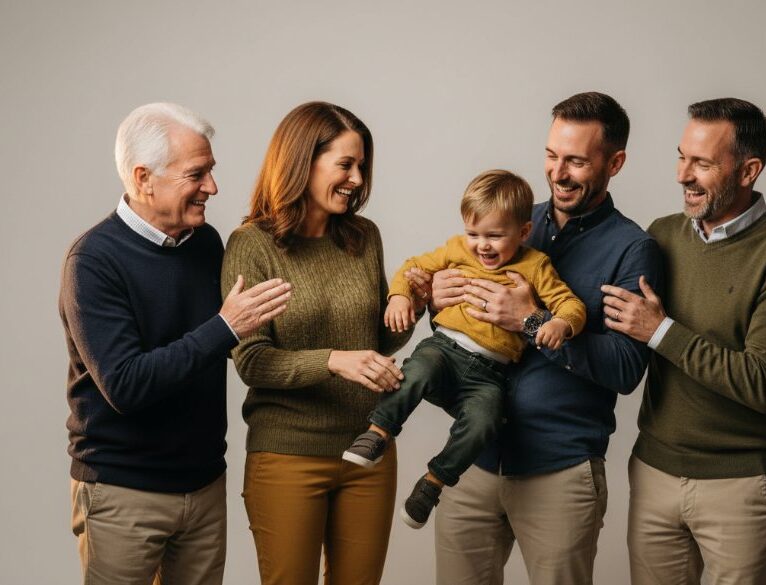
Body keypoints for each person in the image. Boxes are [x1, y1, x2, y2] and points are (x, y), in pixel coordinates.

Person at [420, 92, 662, 585]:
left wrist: (531, 323)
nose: (558, 173)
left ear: (615, 162)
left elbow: (625, 369)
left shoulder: (632, 249)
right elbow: (459, 322)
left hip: (559, 471)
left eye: (576, 160)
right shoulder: (509, 220)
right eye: (552, 156)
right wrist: (437, 301)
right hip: (474, 461)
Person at [60, 102, 292, 585]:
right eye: (197, 173)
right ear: (144, 179)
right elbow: (125, 386)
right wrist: (225, 327)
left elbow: (238, 346)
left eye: (211, 171)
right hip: (123, 493)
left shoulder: (205, 244)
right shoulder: (92, 262)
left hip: (205, 486)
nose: (212, 187)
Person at [601, 98, 766, 585]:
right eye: (681, 156)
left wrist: (660, 330)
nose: (683, 174)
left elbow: (763, 384)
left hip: (738, 487)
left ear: (749, 170)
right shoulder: (661, 236)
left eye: (702, 163)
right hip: (653, 472)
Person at [221, 101, 413, 585]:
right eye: (345, 164)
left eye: (361, 166)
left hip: (368, 451)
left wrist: (415, 305)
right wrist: (332, 361)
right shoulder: (252, 245)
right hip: (288, 456)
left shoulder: (364, 237)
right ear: (302, 162)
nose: (356, 178)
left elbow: (374, 343)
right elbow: (252, 361)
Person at [342, 169, 587, 529]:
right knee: (417, 371)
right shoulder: (457, 249)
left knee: (486, 420)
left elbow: (572, 305)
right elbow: (413, 268)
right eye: (473, 233)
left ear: (523, 232)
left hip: (490, 373)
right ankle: (378, 433)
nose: (482, 245)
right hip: (444, 348)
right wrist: (399, 296)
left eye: (494, 236)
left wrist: (557, 324)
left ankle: (433, 483)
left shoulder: (536, 266)